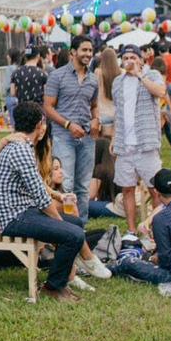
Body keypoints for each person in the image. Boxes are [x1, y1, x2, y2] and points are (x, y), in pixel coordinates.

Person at [0, 101, 86, 301]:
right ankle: (53, 287)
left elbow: (38, 190)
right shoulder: (21, 149)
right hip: (13, 219)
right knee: (73, 234)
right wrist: (59, 222)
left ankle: (63, 278)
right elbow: (41, 197)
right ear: (39, 125)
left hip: (21, 212)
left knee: (75, 224)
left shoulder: (19, 145)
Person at [110, 44, 166, 234]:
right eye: (126, 58)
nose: (129, 61)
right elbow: (118, 112)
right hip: (125, 145)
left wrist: (139, 75)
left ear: (141, 60)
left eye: (133, 57)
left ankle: (156, 230)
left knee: (155, 189)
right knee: (127, 189)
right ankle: (132, 231)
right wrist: (114, 137)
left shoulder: (152, 75)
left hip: (146, 143)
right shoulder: (118, 82)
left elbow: (160, 92)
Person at [43, 35, 98, 221]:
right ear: (73, 52)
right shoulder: (57, 76)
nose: (88, 54)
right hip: (63, 136)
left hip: (87, 137)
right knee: (66, 184)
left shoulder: (93, 79)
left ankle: (81, 225)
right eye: (84, 50)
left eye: (90, 50)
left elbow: (94, 105)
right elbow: (48, 107)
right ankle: (66, 225)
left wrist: (96, 119)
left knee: (83, 186)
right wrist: (68, 124)